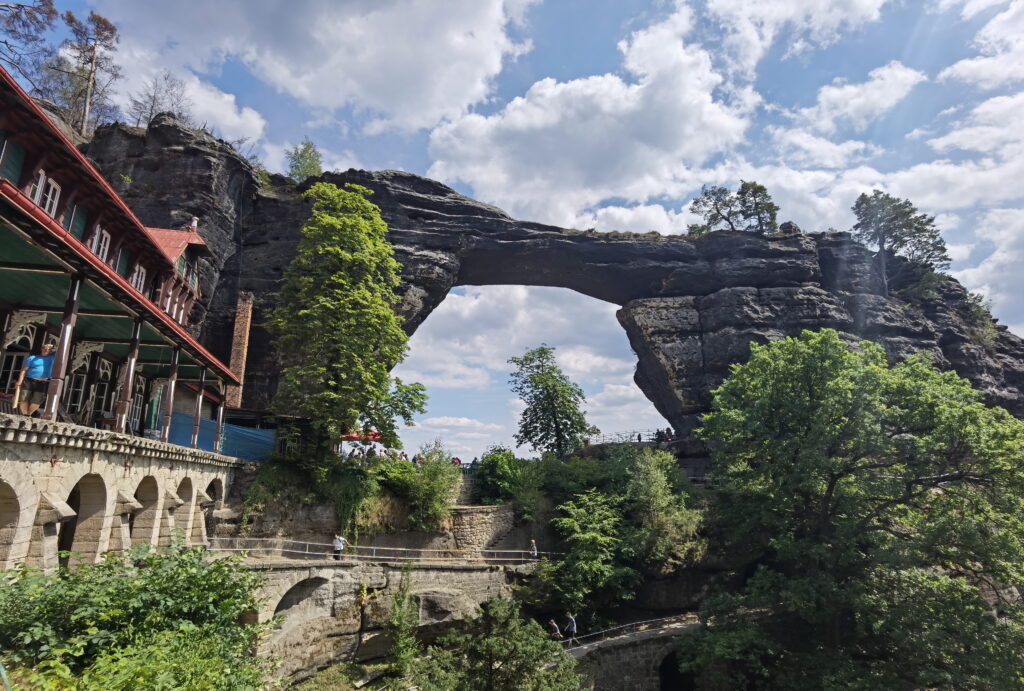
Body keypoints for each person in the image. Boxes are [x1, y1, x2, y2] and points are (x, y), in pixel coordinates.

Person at [15, 342, 55, 417]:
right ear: (41, 349)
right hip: (29, 380)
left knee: (37, 402)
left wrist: (52, 345)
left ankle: (28, 415)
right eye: (45, 348)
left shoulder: (52, 357)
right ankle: (25, 415)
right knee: (23, 398)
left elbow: (61, 347)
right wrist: (19, 381)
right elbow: (24, 370)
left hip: (42, 382)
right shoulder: (32, 358)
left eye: (49, 349)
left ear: (51, 351)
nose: (46, 350)